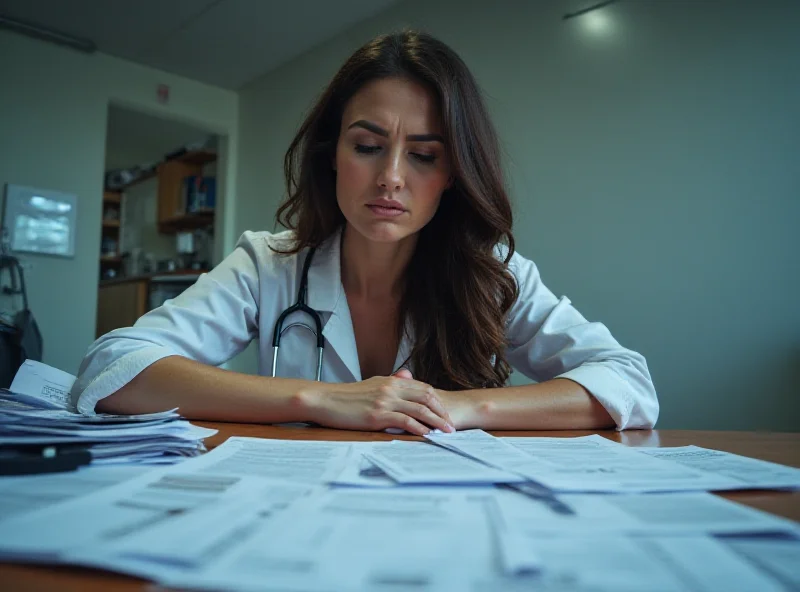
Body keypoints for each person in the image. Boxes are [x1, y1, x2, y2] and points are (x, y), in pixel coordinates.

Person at [71, 31, 658, 434]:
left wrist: (458, 406)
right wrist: (320, 400)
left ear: (453, 174)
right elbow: (112, 367)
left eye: (424, 156)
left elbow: (627, 382)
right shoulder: (268, 264)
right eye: (368, 147)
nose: (391, 178)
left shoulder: (494, 273)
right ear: (333, 155)